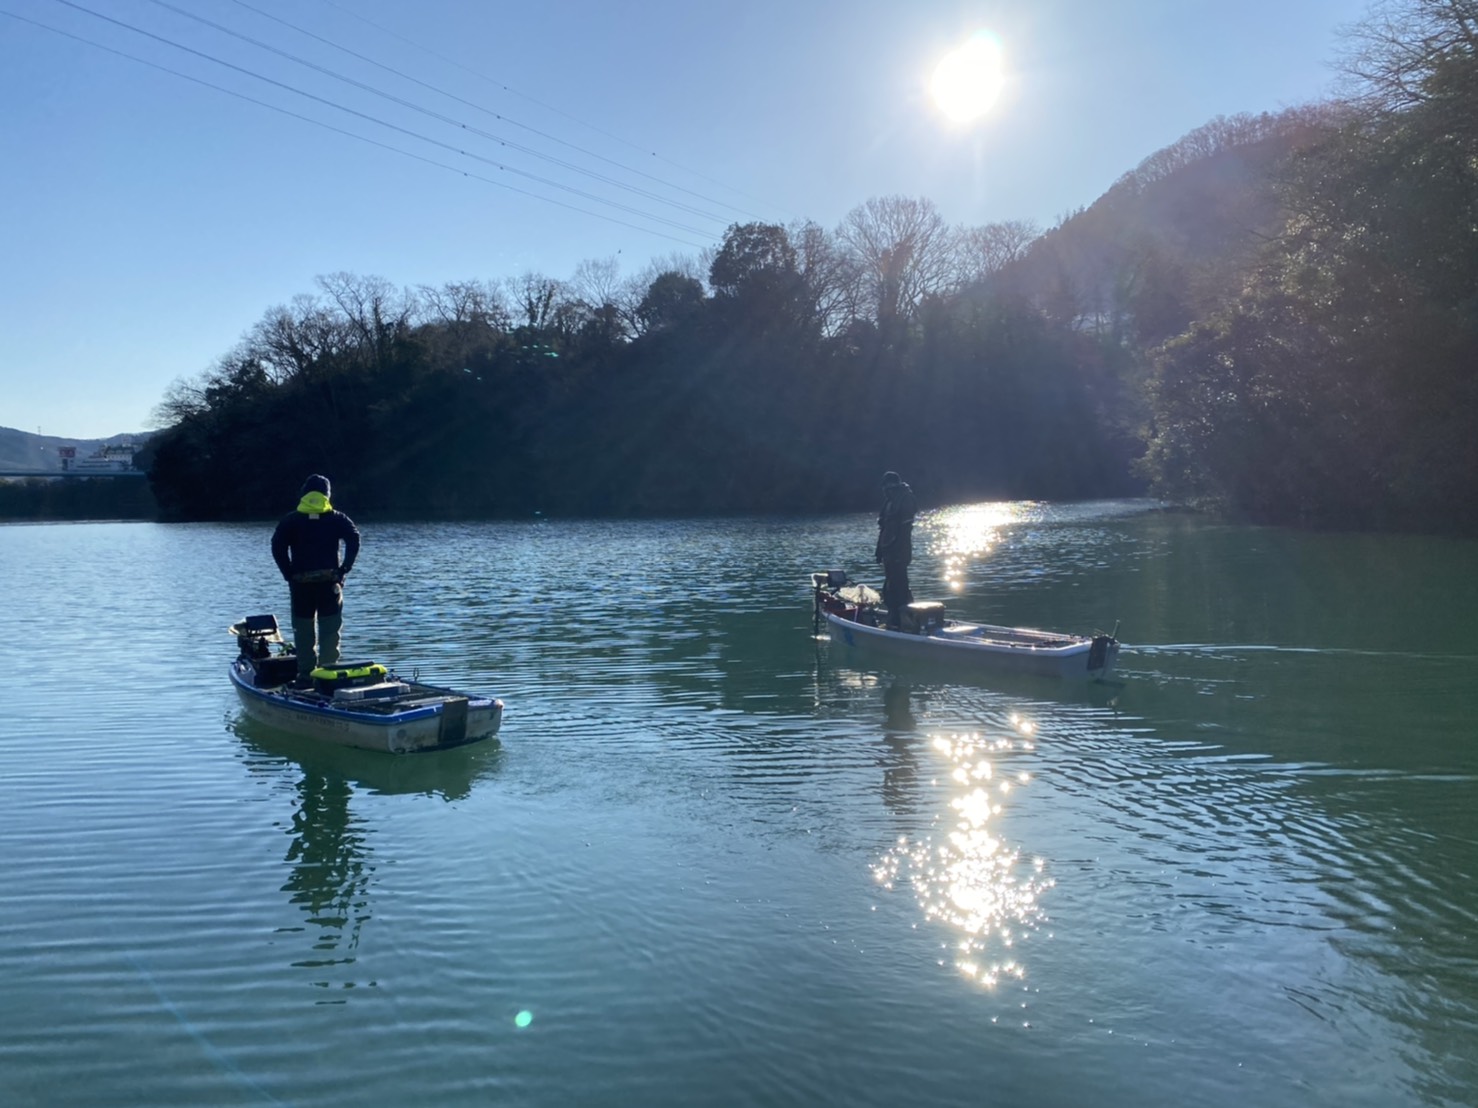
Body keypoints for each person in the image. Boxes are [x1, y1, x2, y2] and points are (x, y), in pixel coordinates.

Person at [271, 474, 360, 683]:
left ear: (304, 494)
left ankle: (305, 677)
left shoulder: (291, 520)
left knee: (303, 631)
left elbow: (277, 546)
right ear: (327, 495)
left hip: (301, 584)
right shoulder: (337, 518)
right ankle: (329, 676)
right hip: (330, 583)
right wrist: (344, 569)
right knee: (330, 631)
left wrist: (288, 573)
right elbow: (354, 538)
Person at [875, 470, 917, 630]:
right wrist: (879, 551)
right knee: (890, 586)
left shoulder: (906, 499)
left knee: (900, 585)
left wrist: (900, 553)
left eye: (887, 487)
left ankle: (905, 619)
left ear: (893, 486)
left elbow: (905, 530)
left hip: (899, 551)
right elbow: (884, 529)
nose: (885, 491)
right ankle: (894, 617)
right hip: (888, 551)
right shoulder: (888, 502)